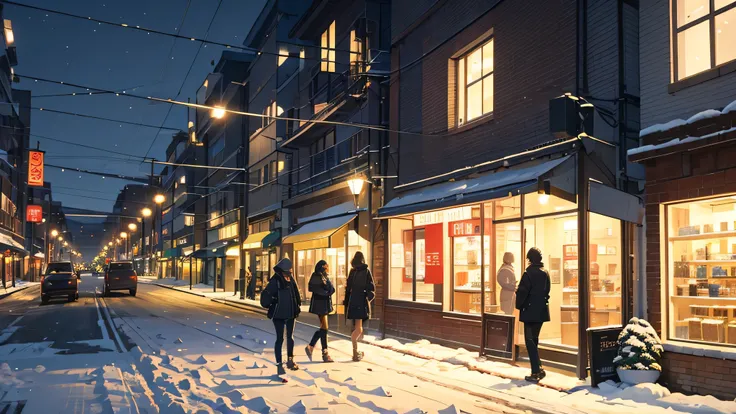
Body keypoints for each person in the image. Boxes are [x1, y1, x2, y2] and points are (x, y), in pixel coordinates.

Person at [260, 258, 301, 375]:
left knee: (290, 337)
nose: (290, 274)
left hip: (291, 313)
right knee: (280, 339)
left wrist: (297, 306)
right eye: (288, 271)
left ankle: (290, 359)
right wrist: (272, 304)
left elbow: (296, 294)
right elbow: (266, 298)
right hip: (279, 314)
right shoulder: (275, 281)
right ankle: (279, 364)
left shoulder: (290, 280)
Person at [515, 247, 551, 383]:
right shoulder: (545, 272)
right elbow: (547, 291)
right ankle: (539, 368)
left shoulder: (528, 273)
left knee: (530, 341)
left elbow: (522, 293)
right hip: (541, 310)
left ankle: (536, 371)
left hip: (529, 311)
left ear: (529, 259)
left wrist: (519, 303)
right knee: (534, 339)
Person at [344, 251, 375, 362]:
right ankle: (355, 353)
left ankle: (355, 352)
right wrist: (367, 299)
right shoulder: (366, 271)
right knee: (359, 328)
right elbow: (371, 289)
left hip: (353, 303)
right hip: (361, 303)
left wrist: (347, 302)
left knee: (358, 328)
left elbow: (348, 289)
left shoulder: (352, 272)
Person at [305, 260, 336, 363]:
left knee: (324, 328)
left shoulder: (324, 276)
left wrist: (327, 291)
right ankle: (324, 353)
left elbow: (332, 289)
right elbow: (314, 288)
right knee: (324, 328)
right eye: (327, 266)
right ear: (323, 266)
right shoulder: (317, 276)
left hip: (324, 304)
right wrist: (326, 292)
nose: (328, 268)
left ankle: (311, 346)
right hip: (320, 304)